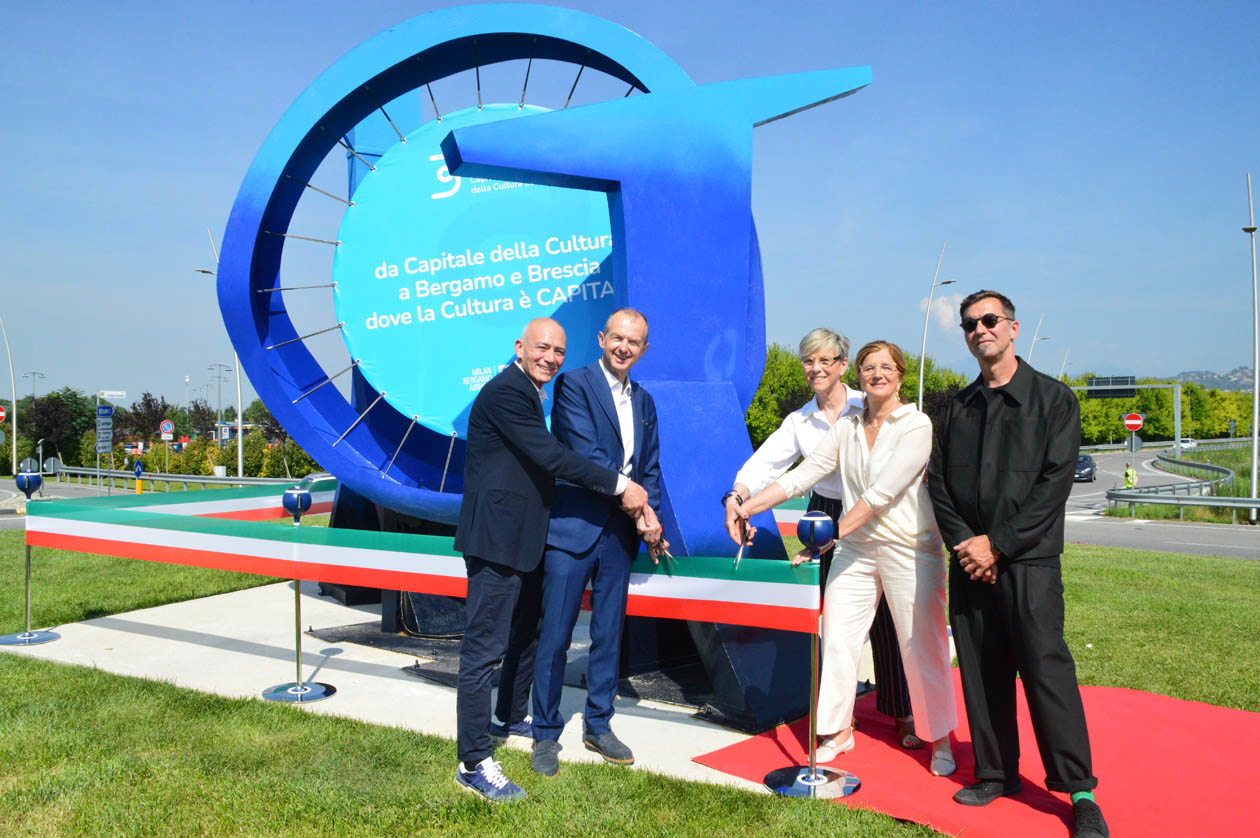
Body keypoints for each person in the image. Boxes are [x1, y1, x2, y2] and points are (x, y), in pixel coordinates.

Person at [926, 290, 1108, 838]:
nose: (979, 330)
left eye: (989, 320)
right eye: (969, 324)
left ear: (1012, 327)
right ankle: (995, 772)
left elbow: (1054, 486)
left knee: (1046, 672)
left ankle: (1078, 792)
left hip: (1029, 563)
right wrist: (967, 546)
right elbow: (939, 485)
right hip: (969, 563)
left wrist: (997, 544)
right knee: (982, 672)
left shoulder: (1054, 400)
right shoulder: (956, 408)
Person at [734, 340, 956, 776]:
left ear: (900, 374)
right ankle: (837, 730)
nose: (877, 374)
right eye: (868, 367)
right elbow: (802, 475)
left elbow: (880, 495)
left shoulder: (916, 424)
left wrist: (827, 537)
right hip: (857, 548)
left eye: (886, 367)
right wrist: (746, 505)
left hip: (908, 549)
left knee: (921, 644)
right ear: (858, 375)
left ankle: (941, 738)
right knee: (836, 637)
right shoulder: (848, 426)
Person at [453, 317, 651, 802]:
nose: (551, 357)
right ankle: (474, 761)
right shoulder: (507, 393)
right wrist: (623, 486)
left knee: (522, 635)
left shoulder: (527, 390)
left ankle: (507, 717)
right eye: (542, 348)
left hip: (521, 539)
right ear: (520, 347)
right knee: (483, 652)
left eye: (559, 351)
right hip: (497, 541)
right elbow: (552, 456)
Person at [530, 309, 668, 777]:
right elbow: (584, 455)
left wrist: (654, 521)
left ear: (644, 349)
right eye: (617, 338)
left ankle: (599, 725)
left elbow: (649, 470)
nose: (624, 347)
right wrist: (636, 503)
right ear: (602, 338)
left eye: (634, 342)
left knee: (608, 636)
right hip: (573, 530)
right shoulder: (573, 385)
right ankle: (545, 734)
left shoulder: (646, 403)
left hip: (619, 537)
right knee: (556, 635)